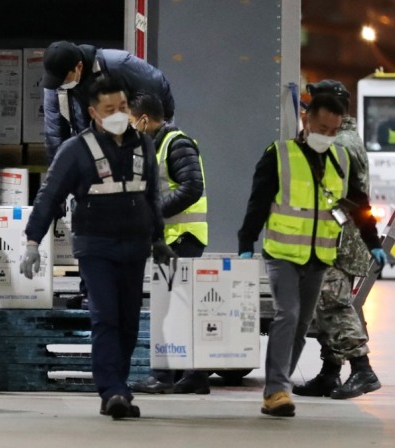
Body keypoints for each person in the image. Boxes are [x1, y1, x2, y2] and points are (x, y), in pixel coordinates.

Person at [20, 78, 173, 420]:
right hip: (96, 248)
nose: (119, 115)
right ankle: (113, 390)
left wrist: (158, 237)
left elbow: (151, 197)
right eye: (110, 110)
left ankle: (117, 386)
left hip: (135, 248)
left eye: (123, 108)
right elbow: (49, 197)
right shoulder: (76, 150)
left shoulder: (144, 146)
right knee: (106, 318)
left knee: (129, 322)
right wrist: (32, 242)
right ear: (93, 112)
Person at [238, 93, 387, 417]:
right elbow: (258, 201)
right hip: (283, 254)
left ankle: (278, 386)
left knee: (303, 323)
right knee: (287, 315)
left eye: (334, 130)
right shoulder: (280, 155)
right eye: (323, 127)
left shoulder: (341, 159)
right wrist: (246, 241)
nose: (328, 135)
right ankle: (277, 390)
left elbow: (358, 205)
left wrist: (372, 240)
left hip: (320, 256)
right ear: (307, 120)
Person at [42, 40, 175, 309]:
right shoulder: (56, 84)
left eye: (63, 77)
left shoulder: (118, 65)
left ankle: (122, 293)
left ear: (78, 67)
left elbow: (161, 96)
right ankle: (91, 289)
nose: (58, 83)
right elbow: (54, 133)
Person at [292, 80, 381, 400]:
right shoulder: (341, 138)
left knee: (332, 301)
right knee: (324, 305)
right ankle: (330, 373)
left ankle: (363, 368)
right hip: (338, 237)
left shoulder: (340, 143)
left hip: (340, 240)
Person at [127, 94, 210, 395]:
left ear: (144, 119)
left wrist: (153, 211)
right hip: (171, 239)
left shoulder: (177, 144)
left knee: (166, 308)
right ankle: (194, 376)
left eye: (131, 121)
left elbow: (192, 186)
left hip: (183, 239)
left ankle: (162, 376)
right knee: (179, 308)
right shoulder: (152, 146)